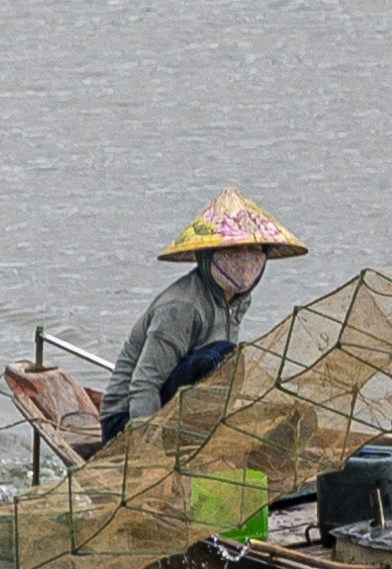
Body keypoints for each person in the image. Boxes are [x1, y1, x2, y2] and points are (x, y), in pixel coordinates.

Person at [105, 189, 303, 444]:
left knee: (236, 361)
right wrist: (146, 451)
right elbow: (144, 385)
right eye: (232, 251)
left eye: (253, 249)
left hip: (181, 408)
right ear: (207, 254)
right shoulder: (181, 307)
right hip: (127, 420)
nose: (244, 261)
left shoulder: (238, 299)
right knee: (218, 355)